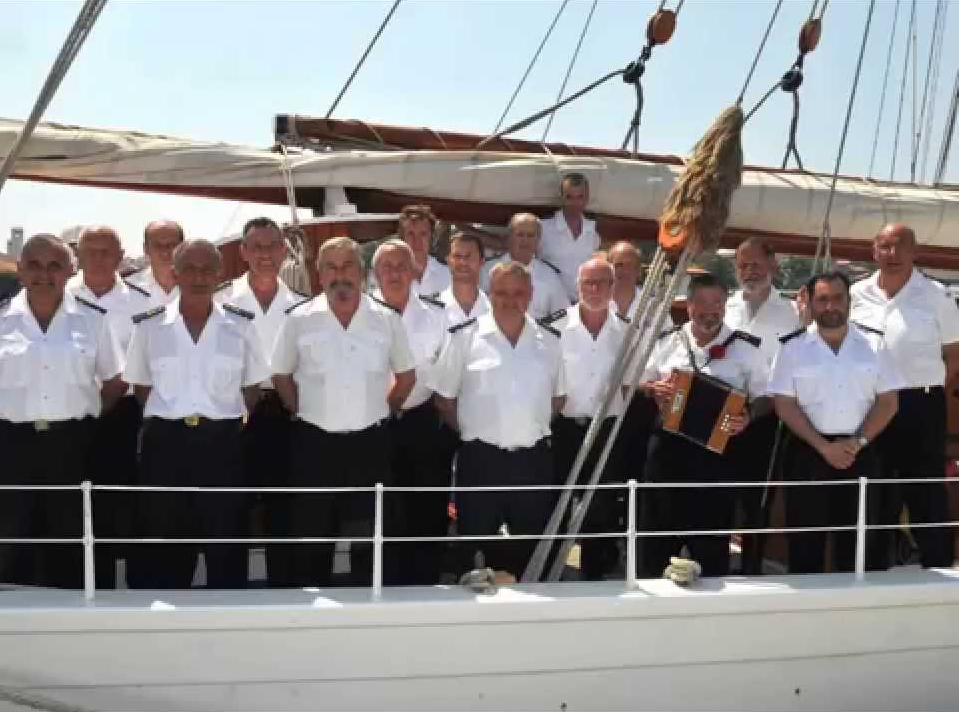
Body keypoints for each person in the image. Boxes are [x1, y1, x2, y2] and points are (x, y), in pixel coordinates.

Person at [125, 239, 269, 589]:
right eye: (189, 268)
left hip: (222, 446)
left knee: (227, 542)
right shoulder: (149, 327)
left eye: (207, 269)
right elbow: (142, 388)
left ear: (219, 274)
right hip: (166, 447)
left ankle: (227, 615)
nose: (199, 277)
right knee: (166, 545)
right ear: (175, 274)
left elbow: (252, 389)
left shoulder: (241, 326)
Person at [272, 237, 416, 587]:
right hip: (315, 445)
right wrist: (301, 409)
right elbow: (281, 375)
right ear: (319, 274)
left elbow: (406, 377)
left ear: (362, 271)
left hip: (370, 446)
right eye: (331, 268)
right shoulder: (298, 319)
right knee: (312, 535)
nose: (340, 276)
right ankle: (312, 603)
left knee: (370, 538)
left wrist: (382, 409)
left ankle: (369, 605)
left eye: (348, 266)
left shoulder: (387, 319)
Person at [0, 234, 125, 589]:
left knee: (71, 539)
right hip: (10, 445)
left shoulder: (93, 320)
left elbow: (114, 381)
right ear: (20, 270)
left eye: (54, 266)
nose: (44, 275)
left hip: (72, 446)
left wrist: (85, 414)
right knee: (9, 540)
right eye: (34, 266)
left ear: (71, 271)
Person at [434, 261, 566, 579]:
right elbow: (445, 400)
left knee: (529, 552)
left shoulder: (550, 341)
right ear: (489, 293)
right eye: (501, 292)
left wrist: (525, 425)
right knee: (473, 552)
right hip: (481, 462)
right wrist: (474, 430)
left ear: (530, 295)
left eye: (518, 293)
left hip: (532, 463)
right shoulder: (464, 338)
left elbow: (558, 398)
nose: (509, 300)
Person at [769, 271, 902, 574]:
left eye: (838, 298)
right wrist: (823, 447)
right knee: (805, 545)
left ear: (849, 301)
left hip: (861, 451)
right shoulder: (791, 347)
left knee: (858, 547)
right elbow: (784, 405)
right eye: (823, 299)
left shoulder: (875, 344)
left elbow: (888, 402)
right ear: (810, 303)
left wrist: (857, 442)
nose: (831, 306)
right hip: (808, 452)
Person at [639, 273, 769, 577]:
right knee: (656, 536)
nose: (709, 310)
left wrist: (748, 416)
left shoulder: (746, 348)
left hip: (716, 456)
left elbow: (766, 396)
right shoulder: (666, 341)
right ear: (689, 305)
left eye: (717, 302)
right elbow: (640, 382)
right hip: (668, 451)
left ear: (725, 305)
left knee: (711, 540)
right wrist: (653, 389)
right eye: (701, 302)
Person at [850, 223, 959, 569]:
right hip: (870, 404)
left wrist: (928, 384)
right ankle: (871, 569)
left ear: (914, 251)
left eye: (900, 246)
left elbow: (953, 354)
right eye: (885, 246)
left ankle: (938, 568)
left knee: (925, 489)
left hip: (920, 403)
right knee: (875, 488)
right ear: (874, 251)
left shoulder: (937, 295)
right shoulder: (856, 293)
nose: (892, 254)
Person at [215, 217, 308, 587]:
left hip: (284, 410)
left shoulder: (302, 305)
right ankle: (233, 591)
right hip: (234, 408)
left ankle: (284, 589)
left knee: (283, 506)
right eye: (256, 247)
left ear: (284, 252)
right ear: (243, 251)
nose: (265, 254)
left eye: (272, 246)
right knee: (233, 504)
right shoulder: (221, 300)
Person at [66, 226, 150, 589]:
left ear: (120, 256)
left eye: (106, 251)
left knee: (130, 504)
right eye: (91, 250)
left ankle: (133, 588)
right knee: (81, 505)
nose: (98, 258)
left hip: (127, 415)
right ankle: (88, 584)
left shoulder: (142, 302)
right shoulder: (62, 296)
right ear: (77, 256)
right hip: (76, 414)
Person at [542, 256, 629, 580]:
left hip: (605, 431)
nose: (594, 289)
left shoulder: (628, 331)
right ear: (578, 286)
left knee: (601, 511)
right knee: (557, 505)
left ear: (612, 286)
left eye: (601, 283)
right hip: (564, 429)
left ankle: (595, 579)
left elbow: (632, 384)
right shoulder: (552, 329)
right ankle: (550, 577)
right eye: (588, 283)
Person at [372, 239, 450, 585]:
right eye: (387, 267)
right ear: (375, 273)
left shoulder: (437, 316)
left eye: (401, 266)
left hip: (422, 422)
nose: (394, 273)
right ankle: (382, 584)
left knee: (427, 509)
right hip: (374, 424)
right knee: (380, 510)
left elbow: (445, 371)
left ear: (415, 271)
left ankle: (425, 584)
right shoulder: (360, 315)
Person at [723, 237, 802, 574]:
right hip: (722, 409)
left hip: (767, 413)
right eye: (743, 265)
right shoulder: (725, 307)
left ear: (773, 264)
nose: (749, 271)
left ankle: (751, 568)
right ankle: (715, 564)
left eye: (755, 264)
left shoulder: (793, 314)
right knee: (719, 493)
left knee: (757, 498)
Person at [609, 240, 672, 485]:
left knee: (635, 468)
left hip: (643, 398)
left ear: (639, 270)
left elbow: (667, 351)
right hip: (603, 399)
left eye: (629, 265)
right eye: (617, 265)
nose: (623, 271)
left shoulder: (657, 308)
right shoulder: (596, 304)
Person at [481, 213, 569, 320]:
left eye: (530, 235)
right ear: (509, 237)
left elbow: (563, 316)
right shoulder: (487, 270)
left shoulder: (549, 275)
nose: (525, 240)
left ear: (538, 239)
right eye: (520, 234)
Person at [538, 173, 602, 302]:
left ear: (587, 198)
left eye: (580, 197)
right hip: (550, 304)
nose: (575, 203)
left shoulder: (593, 233)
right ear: (561, 197)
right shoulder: (543, 228)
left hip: (583, 303)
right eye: (569, 197)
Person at [127, 220, 185, 308]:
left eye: (171, 245)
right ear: (145, 249)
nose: (165, 252)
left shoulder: (201, 285)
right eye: (157, 245)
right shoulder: (127, 288)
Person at [398, 204, 451, 298]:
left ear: (431, 237)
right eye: (411, 234)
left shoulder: (448, 276)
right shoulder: (392, 275)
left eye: (423, 234)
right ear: (402, 238)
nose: (417, 241)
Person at [440, 232, 491, 328]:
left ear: (481, 261)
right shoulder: (432, 309)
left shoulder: (494, 309)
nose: (463, 262)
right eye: (457, 256)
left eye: (469, 256)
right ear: (448, 261)